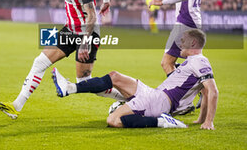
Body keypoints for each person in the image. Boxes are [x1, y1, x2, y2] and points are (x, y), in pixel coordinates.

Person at [0, 0, 124, 119]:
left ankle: (130, 98)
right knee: (39, 63)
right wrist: (106, 0)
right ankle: (16, 106)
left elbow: (91, 16)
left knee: (84, 82)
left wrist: (84, 43)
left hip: (87, 34)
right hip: (70, 30)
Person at [52, 29, 219, 129]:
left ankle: (163, 122)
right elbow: (205, 92)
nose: (180, 44)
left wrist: (209, 122)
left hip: (160, 101)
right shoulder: (192, 62)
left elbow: (212, 91)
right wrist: (201, 119)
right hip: (154, 94)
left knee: (114, 120)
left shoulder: (199, 61)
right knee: (114, 76)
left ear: (193, 43)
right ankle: (70, 88)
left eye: (183, 41)